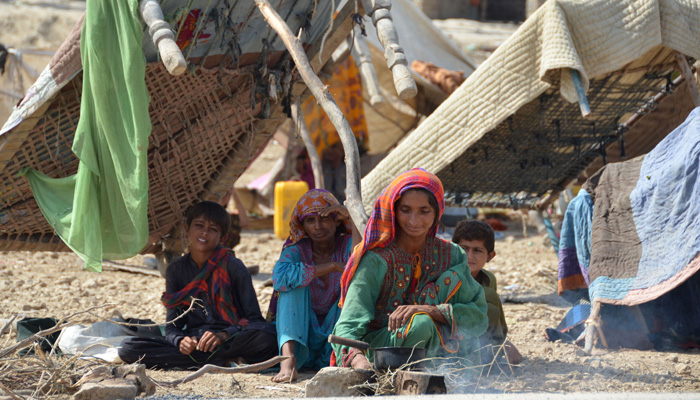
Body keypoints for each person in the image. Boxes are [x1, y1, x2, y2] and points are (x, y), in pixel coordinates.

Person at [332, 169, 488, 369]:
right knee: (421, 324)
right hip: (382, 351)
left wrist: (429, 310)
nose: (414, 221)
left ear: (437, 213)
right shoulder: (376, 260)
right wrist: (357, 360)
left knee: (428, 315)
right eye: (406, 210)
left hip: (446, 356)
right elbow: (348, 325)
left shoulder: (453, 255)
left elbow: (478, 317)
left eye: (424, 211)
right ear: (394, 211)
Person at [118, 201, 277, 369]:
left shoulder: (233, 266)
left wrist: (223, 335)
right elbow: (172, 327)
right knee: (128, 348)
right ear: (187, 228)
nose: (204, 233)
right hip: (197, 341)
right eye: (199, 226)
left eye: (213, 229)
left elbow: (254, 320)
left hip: (231, 338)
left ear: (222, 237)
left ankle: (214, 358)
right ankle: (222, 360)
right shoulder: (176, 270)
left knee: (268, 337)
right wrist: (181, 341)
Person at [269, 189, 360, 382]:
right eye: (310, 221)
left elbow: (363, 259)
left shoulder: (347, 245)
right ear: (303, 225)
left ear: (337, 221)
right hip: (303, 334)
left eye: (324, 218)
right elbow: (279, 279)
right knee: (291, 286)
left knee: (355, 284)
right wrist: (332, 267)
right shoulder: (296, 250)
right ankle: (288, 360)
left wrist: (352, 219)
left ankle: (348, 354)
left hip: (337, 334)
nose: (318, 226)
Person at [452, 220, 523, 365]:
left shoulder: (488, 279)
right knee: (489, 298)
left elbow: (492, 320)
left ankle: (493, 350)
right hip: (451, 336)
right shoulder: (448, 277)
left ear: (490, 256)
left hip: (478, 340)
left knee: (490, 302)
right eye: (464, 248)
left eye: (477, 250)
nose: (469, 256)